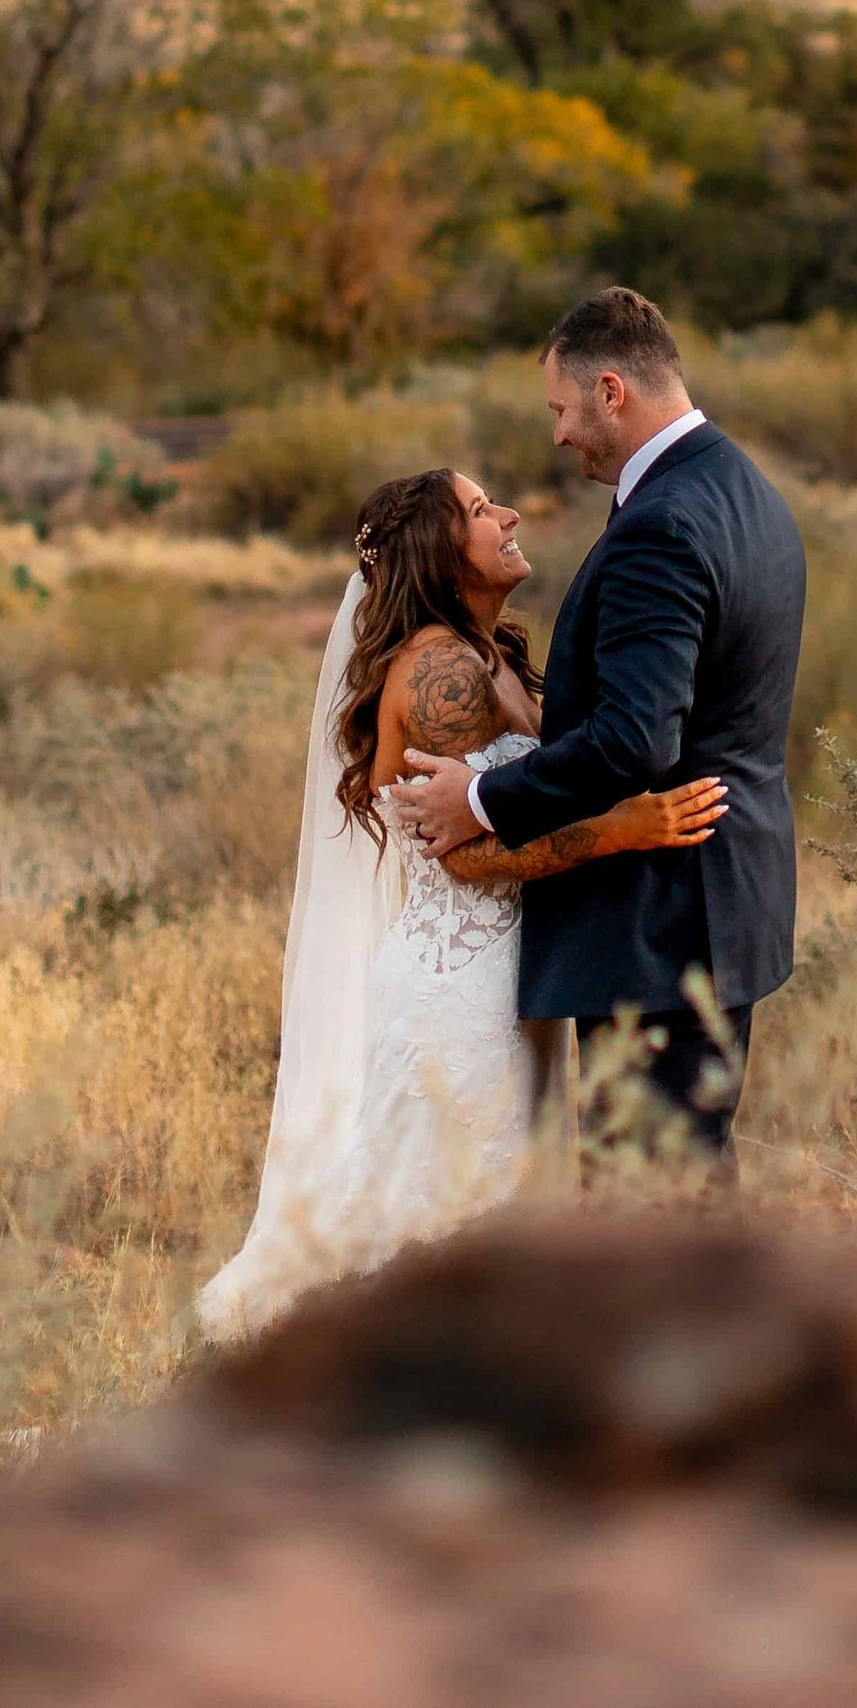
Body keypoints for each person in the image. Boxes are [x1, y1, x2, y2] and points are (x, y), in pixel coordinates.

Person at [196, 456, 725, 1340]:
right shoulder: (440, 671)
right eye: (482, 510)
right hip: (460, 987)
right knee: (444, 1210)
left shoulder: (494, 654)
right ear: (443, 557)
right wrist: (623, 829)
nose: (510, 515)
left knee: (497, 1209)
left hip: (514, 977)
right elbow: (466, 859)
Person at [401, 286, 806, 1164]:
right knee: (681, 1182)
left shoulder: (661, 525)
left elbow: (634, 740)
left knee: (646, 1202)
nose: (557, 434)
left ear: (610, 391)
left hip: (657, 926)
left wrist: (480, 795)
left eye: (560, 408)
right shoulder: (744, 489)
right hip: (724, 902)